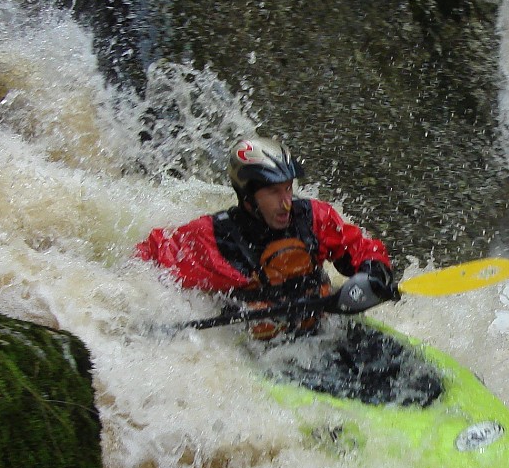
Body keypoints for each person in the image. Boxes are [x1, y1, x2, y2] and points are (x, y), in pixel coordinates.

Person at [136, 135, 400, 339]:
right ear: (248, 196)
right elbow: (149, 255)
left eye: (288, 189)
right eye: (274, 192)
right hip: (265, 345)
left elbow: (358, 247)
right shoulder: (214, 237)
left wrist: (375, 271)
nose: (286, 203)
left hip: (324, 328)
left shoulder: (313, 218)